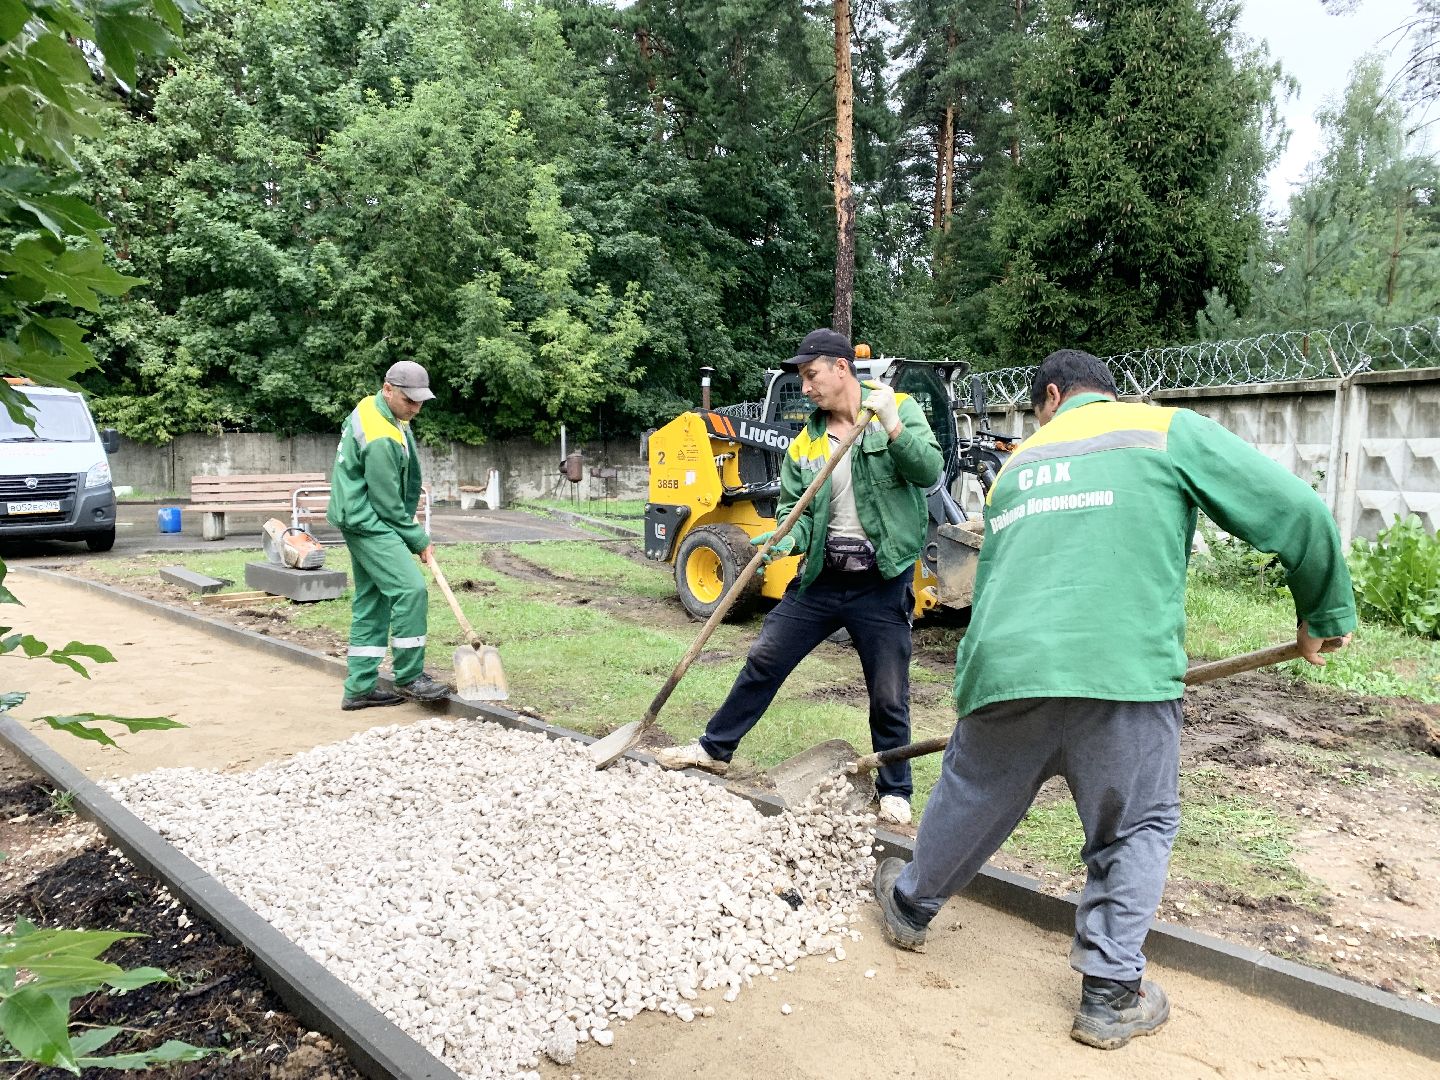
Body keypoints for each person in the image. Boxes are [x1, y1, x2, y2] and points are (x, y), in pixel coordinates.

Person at [871, 349, 1356, 1047]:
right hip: (1121, 673)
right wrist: (1326, 615)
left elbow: (995, 580)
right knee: (1134, 826)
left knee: (974, 792)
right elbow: (1297, 510)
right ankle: (1108, 993)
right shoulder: (1164, 430)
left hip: (1007, 671)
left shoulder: (1017, 468)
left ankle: (910, 905)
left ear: (1052, 397)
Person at [655, 328, 943, 826]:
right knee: (764, 658)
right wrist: (778, 542)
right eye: (802, 379)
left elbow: (928, 471)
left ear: (840, 368)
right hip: (821, 578)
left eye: (811, 376)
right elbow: (794, 511)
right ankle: (714, 749)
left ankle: (895, 786)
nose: (806, 388)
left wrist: (895, 428)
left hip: (881, 580)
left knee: (889, 689)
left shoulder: (895, 409)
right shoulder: (806, 443)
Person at [328, 360, 450, 710]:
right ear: (388, 389)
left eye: (420, 401)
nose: (415, 407)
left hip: (358, 514)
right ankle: (410, 676)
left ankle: (359, 688)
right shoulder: (380, 436)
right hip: (368, 520)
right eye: (409, 400)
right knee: (410, 589)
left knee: (372, 600)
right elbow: (387, 505)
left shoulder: (374, 409)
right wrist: (418, 539)